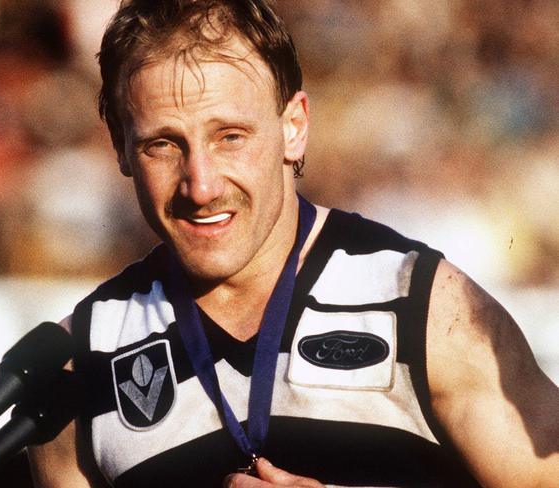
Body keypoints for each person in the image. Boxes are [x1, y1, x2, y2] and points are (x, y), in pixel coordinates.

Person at [28, 1, 559, 486]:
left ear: (294, 127)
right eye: (162, 145)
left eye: (230, 137)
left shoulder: (428, 310)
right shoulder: (83, 363)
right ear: (121, 147)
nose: (201, 185)